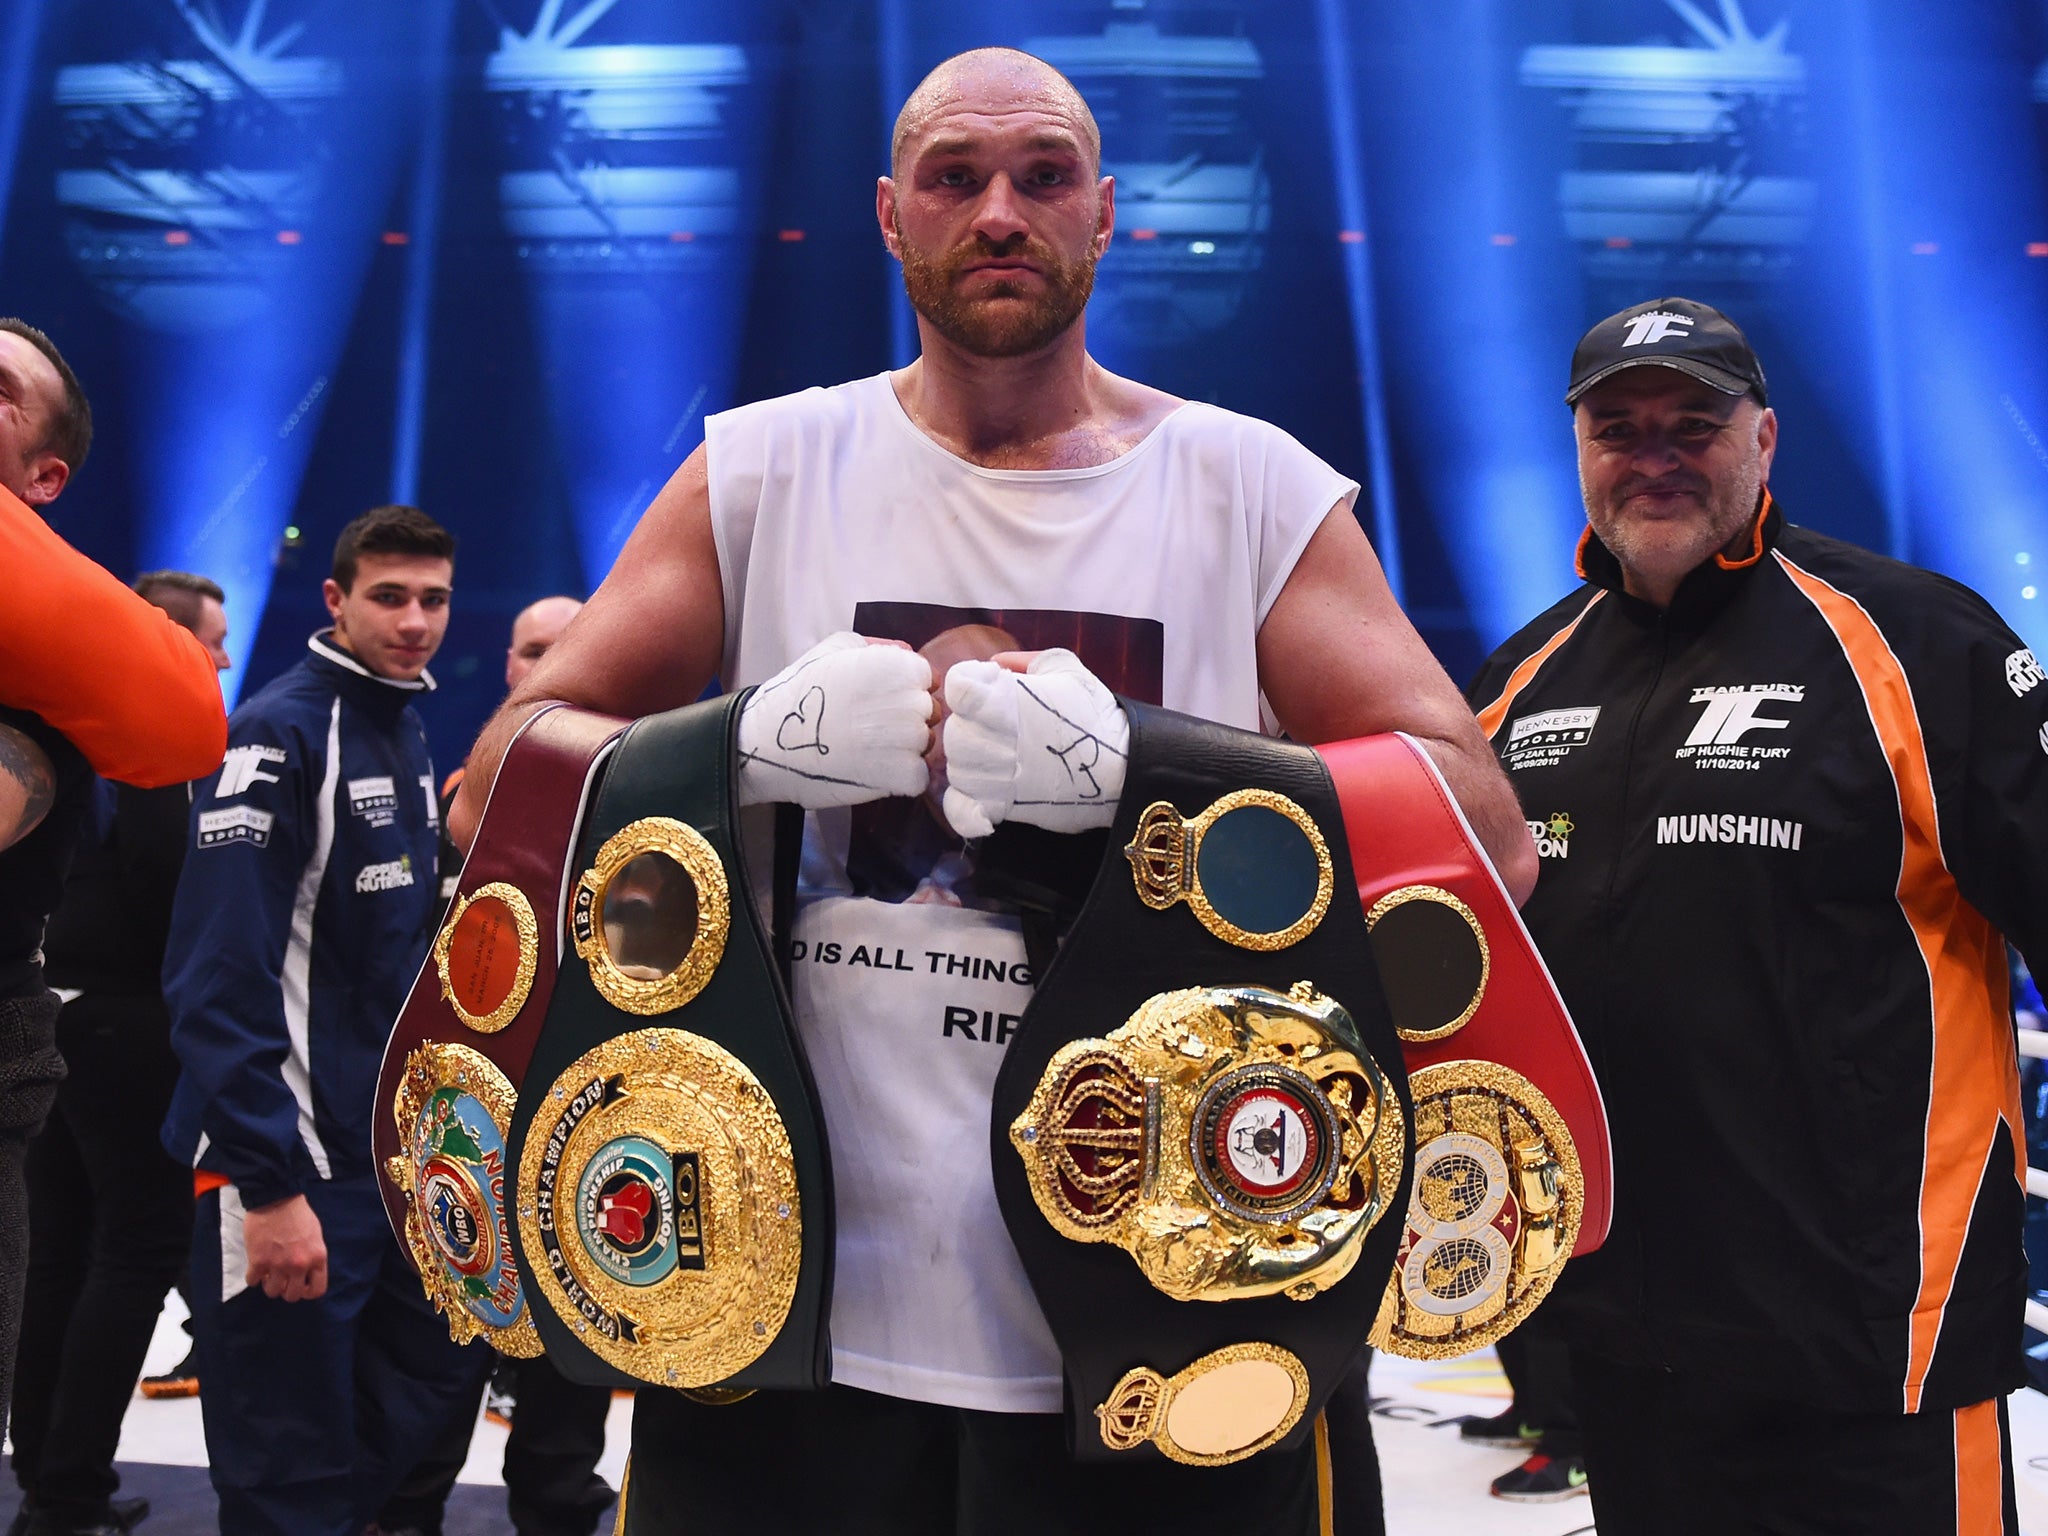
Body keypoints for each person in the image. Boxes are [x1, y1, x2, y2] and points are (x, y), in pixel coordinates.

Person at [451, 48, 1534, 1536]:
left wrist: (1154, 778)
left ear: (1108, 211)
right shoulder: (763, 471)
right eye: (957, 179)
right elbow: (489, 791)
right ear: (892, 217)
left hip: (1175, 1283)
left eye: (1040, 177)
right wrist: (734, 745)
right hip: (786, 1309)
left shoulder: (1250, 488)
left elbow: (1485, 831)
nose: (1000, 211)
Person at [1468, 296, 2043, 1534]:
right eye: (1618, 428)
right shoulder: (1515, 684)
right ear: (1577, 451)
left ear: (1765, 440)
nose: (1655, 456)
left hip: (1875, 1343)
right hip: (1625, 1348)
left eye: (1692, 422)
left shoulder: (1914, 641)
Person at [161, 506, 489, 1536]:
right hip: (284, 1167)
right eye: (389, 597)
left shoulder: (404, 722)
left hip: (385, 1166)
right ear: (336, 600)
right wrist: (267, 1184)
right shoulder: (278, 730)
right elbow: (218, 976)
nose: (415, 621)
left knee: (406, 1421)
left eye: (432, 598)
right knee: (287, 1475)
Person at [0, 318, 226, 1464]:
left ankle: (63, 1477)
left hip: (78, 1020)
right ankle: (60, 1475)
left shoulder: (59, 690)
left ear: (47, 477)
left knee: (107, 1241)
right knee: (96, 1243)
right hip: (106, 1012)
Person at [371, 594, 618, 1536]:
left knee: (574, 1348)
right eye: (533, 651)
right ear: (513, 669)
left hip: (582, 1112)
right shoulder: (451, 799)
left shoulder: (641, 803)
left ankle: (559, 1513)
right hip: (456, 1114)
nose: (548, 665)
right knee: (438, 1344)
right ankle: (403, 1513)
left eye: (569, 649)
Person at [8, 573, 230, 1536]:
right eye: (209, 641)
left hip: (60, 1007)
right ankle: (71, 1485)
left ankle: (51, 1478)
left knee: (58, 1250)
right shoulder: (152, 751)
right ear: (167, 641)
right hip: (128, 1023)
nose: (219, 659)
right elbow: (169, 882)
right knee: (136, 1248)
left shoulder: (84, 735)